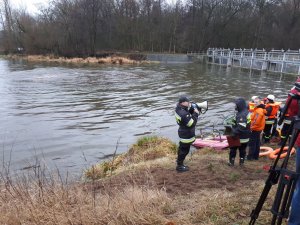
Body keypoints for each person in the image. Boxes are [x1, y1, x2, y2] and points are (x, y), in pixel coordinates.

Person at [175, 96, 199, 172]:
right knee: (184, 150)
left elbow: (186, 116)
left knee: (183, 149)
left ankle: (180, 163)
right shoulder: (183, 113)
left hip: (183, 132)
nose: (189, 103)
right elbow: (191, 124)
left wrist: (191, 110)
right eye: (187, 101)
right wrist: (196, 114)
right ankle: (179, 166)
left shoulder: (179, 109)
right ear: (182, 102)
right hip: (186, 134)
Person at [228, 98, 251, 166]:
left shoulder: (242, 115)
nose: (235, 106)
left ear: (240, 105)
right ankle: (241, 163)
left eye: (236, 105)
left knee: (233, 150)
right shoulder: (245, 111)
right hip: (245, 136)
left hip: (239, 136)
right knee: (242, 150)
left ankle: (231, 163)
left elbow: (241, 127)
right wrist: (233, 122)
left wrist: (232, 133)